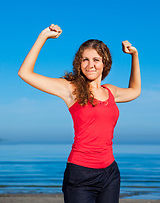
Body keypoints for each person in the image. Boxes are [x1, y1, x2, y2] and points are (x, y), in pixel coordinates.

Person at [18, 23, 141, 203]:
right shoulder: (71, 89)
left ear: (105, 63)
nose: (90, 65)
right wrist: (43, 36)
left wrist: (134, 56)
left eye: (96, 59)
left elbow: (135, 90)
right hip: (80, 174)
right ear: (79, 63)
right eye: (85, 59)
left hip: (110, 173)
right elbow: (25, 73)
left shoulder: (110, 92)